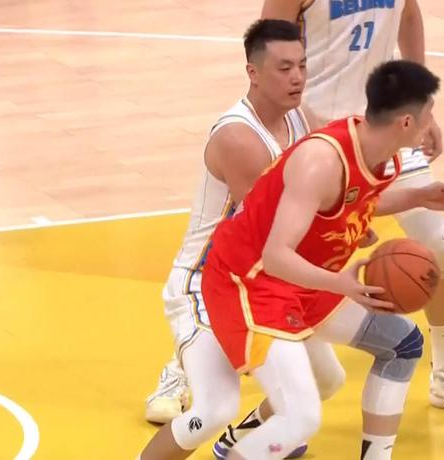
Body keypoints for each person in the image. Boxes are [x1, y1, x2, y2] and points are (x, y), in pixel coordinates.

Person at [141, 60, 444, 460]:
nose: (432, 124)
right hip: (251, 283)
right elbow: (275, 256)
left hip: (303, 281)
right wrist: (341, 283)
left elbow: (357, 199)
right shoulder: (321, 160)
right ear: (406, 122)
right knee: (299, 417)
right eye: (429, 114)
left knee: (401, 345)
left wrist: (419, 196)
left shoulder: (381, 155)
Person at [256, 0, 444, 418]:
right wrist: (295, 130)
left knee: (440, 244)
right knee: (254, 252)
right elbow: (267, 56)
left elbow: (408, 15)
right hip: (318, 134)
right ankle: (189, 359)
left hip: (384, 124)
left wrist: (421, 106)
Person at [142, 19, 347, 459]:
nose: (297, 77)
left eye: (302, 66)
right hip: (207, 282)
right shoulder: (238, 138)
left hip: (262, 280)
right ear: (253, 73)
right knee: (214, 408)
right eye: (284, 68)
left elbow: (346, 157)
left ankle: (243, 441)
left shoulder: (303, 117)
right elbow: (279, 230)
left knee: (326, 380)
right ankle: (185, 377)